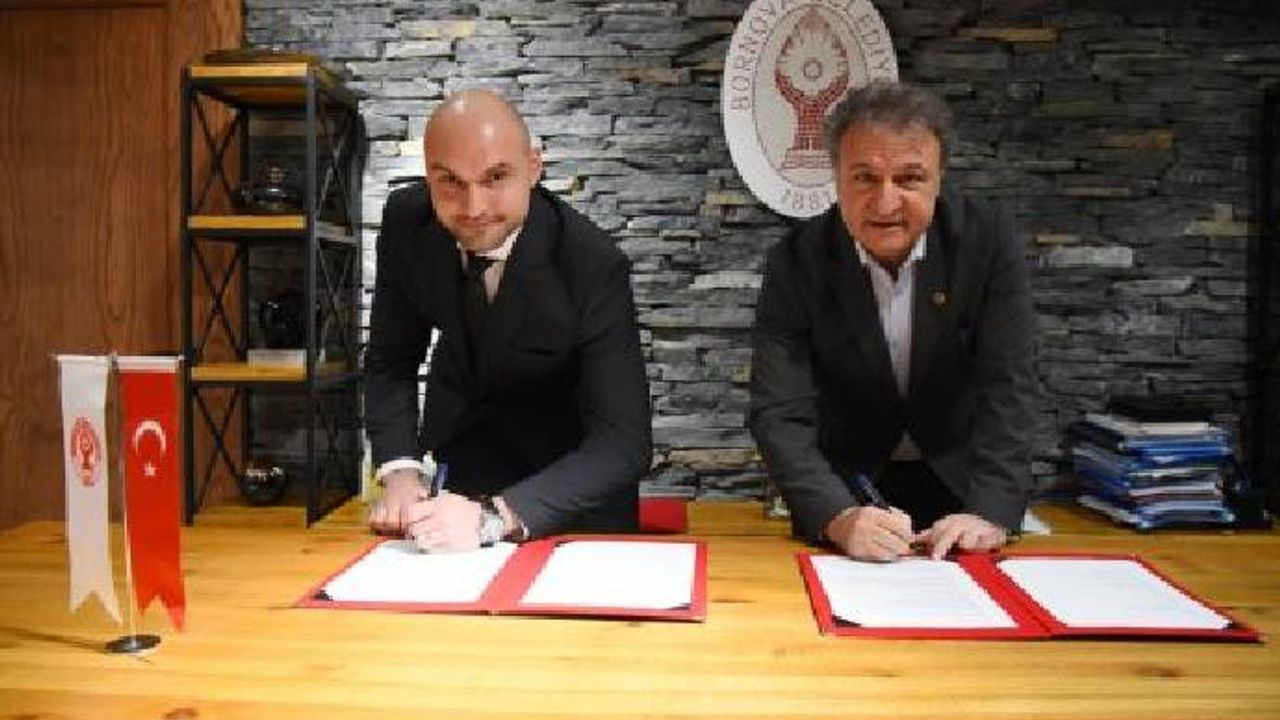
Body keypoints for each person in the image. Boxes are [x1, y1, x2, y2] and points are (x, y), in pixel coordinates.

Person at [749, 80, 1039, 562]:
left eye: (909, 179)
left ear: (939, 179)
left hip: (963, 490)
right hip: (849, 489)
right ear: (836, 177)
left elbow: (1010, 386)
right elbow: (779, 411)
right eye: (865, 177)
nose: (886, 203)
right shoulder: (796, 261)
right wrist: (836, 516)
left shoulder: (987, 242)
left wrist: (990, 512)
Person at [365, 90, 652, 552]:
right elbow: (390, 362)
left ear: (534, 168)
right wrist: (399, 470)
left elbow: (623, 442)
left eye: (496, 177)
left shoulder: (593, 263)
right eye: (449, 181)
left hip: (570, 493)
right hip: (462, 469)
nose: (473, 207)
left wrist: (495, 518)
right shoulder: (407, 222)